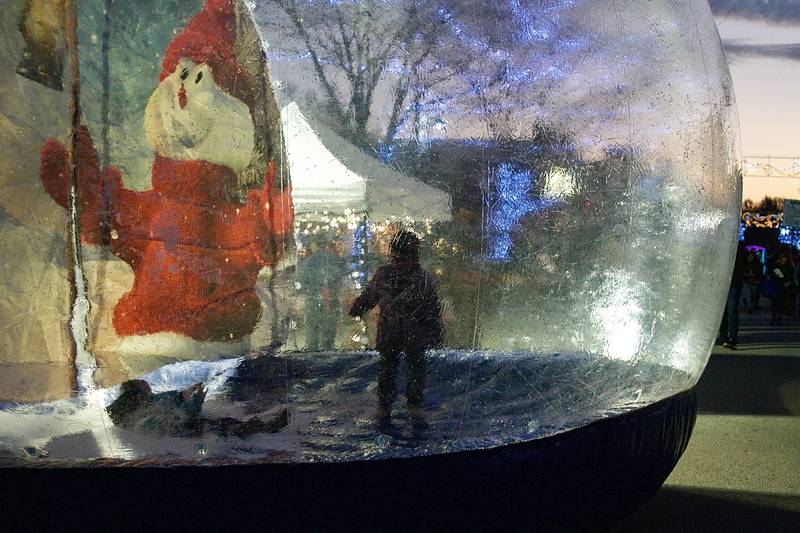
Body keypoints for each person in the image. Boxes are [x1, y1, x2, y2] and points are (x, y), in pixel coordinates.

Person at [349, 231, 444, 425]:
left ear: (413, 258)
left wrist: (435, 331)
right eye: (395, 259)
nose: (397, 264)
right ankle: (384, 407)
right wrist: (359, 306)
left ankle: (414, 407)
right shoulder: (385, 274)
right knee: (386, 371)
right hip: (390, 333)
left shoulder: (422, 279)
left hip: (413, 335)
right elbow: (371, 294)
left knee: (415, 370)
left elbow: (432, 308)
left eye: (402, 259)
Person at [296, 237, 347, 351]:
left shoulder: (309, 261)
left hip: (313, 300)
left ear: (315, 245)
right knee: (329, 330)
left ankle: (312, 355)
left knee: (312, 331)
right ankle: (328, 353)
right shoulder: (336, 260)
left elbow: (300, 280)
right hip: (332, 300)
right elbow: (343, 279)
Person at [718, 243, 745, 349]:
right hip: (730, 283)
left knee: (730, 311)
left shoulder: (736, 252)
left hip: (731, 284)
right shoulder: (737, 251)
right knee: (728, 311)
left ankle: (730, 337)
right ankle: (727, 336)